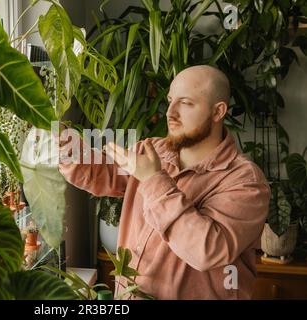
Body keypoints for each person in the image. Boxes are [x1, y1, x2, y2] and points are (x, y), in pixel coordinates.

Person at [57, 65, 270, 299]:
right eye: (170, 100)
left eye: (186, 103)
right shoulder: (152, 150)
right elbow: (99, 172)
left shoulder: (245, 181)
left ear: (218, 111)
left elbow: (206, 250)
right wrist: (59, 140)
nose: (170, 113)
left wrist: (152, 179)